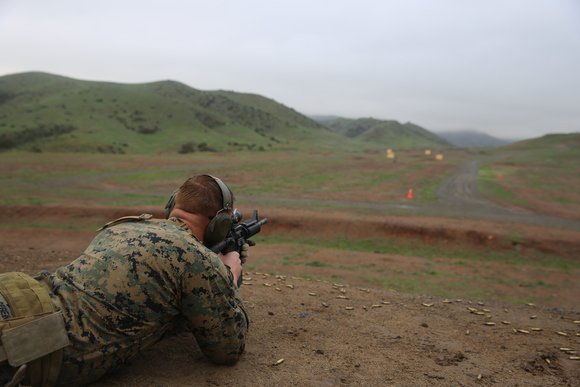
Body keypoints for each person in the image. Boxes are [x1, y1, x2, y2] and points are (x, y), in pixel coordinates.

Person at [0, 174, 249, 387]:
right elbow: (227, 348)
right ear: (220, 223)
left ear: (173, 205)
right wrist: (228, 276)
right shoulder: (197, 259)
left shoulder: (122, 227)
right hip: (31, 346)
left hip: (19, 299)